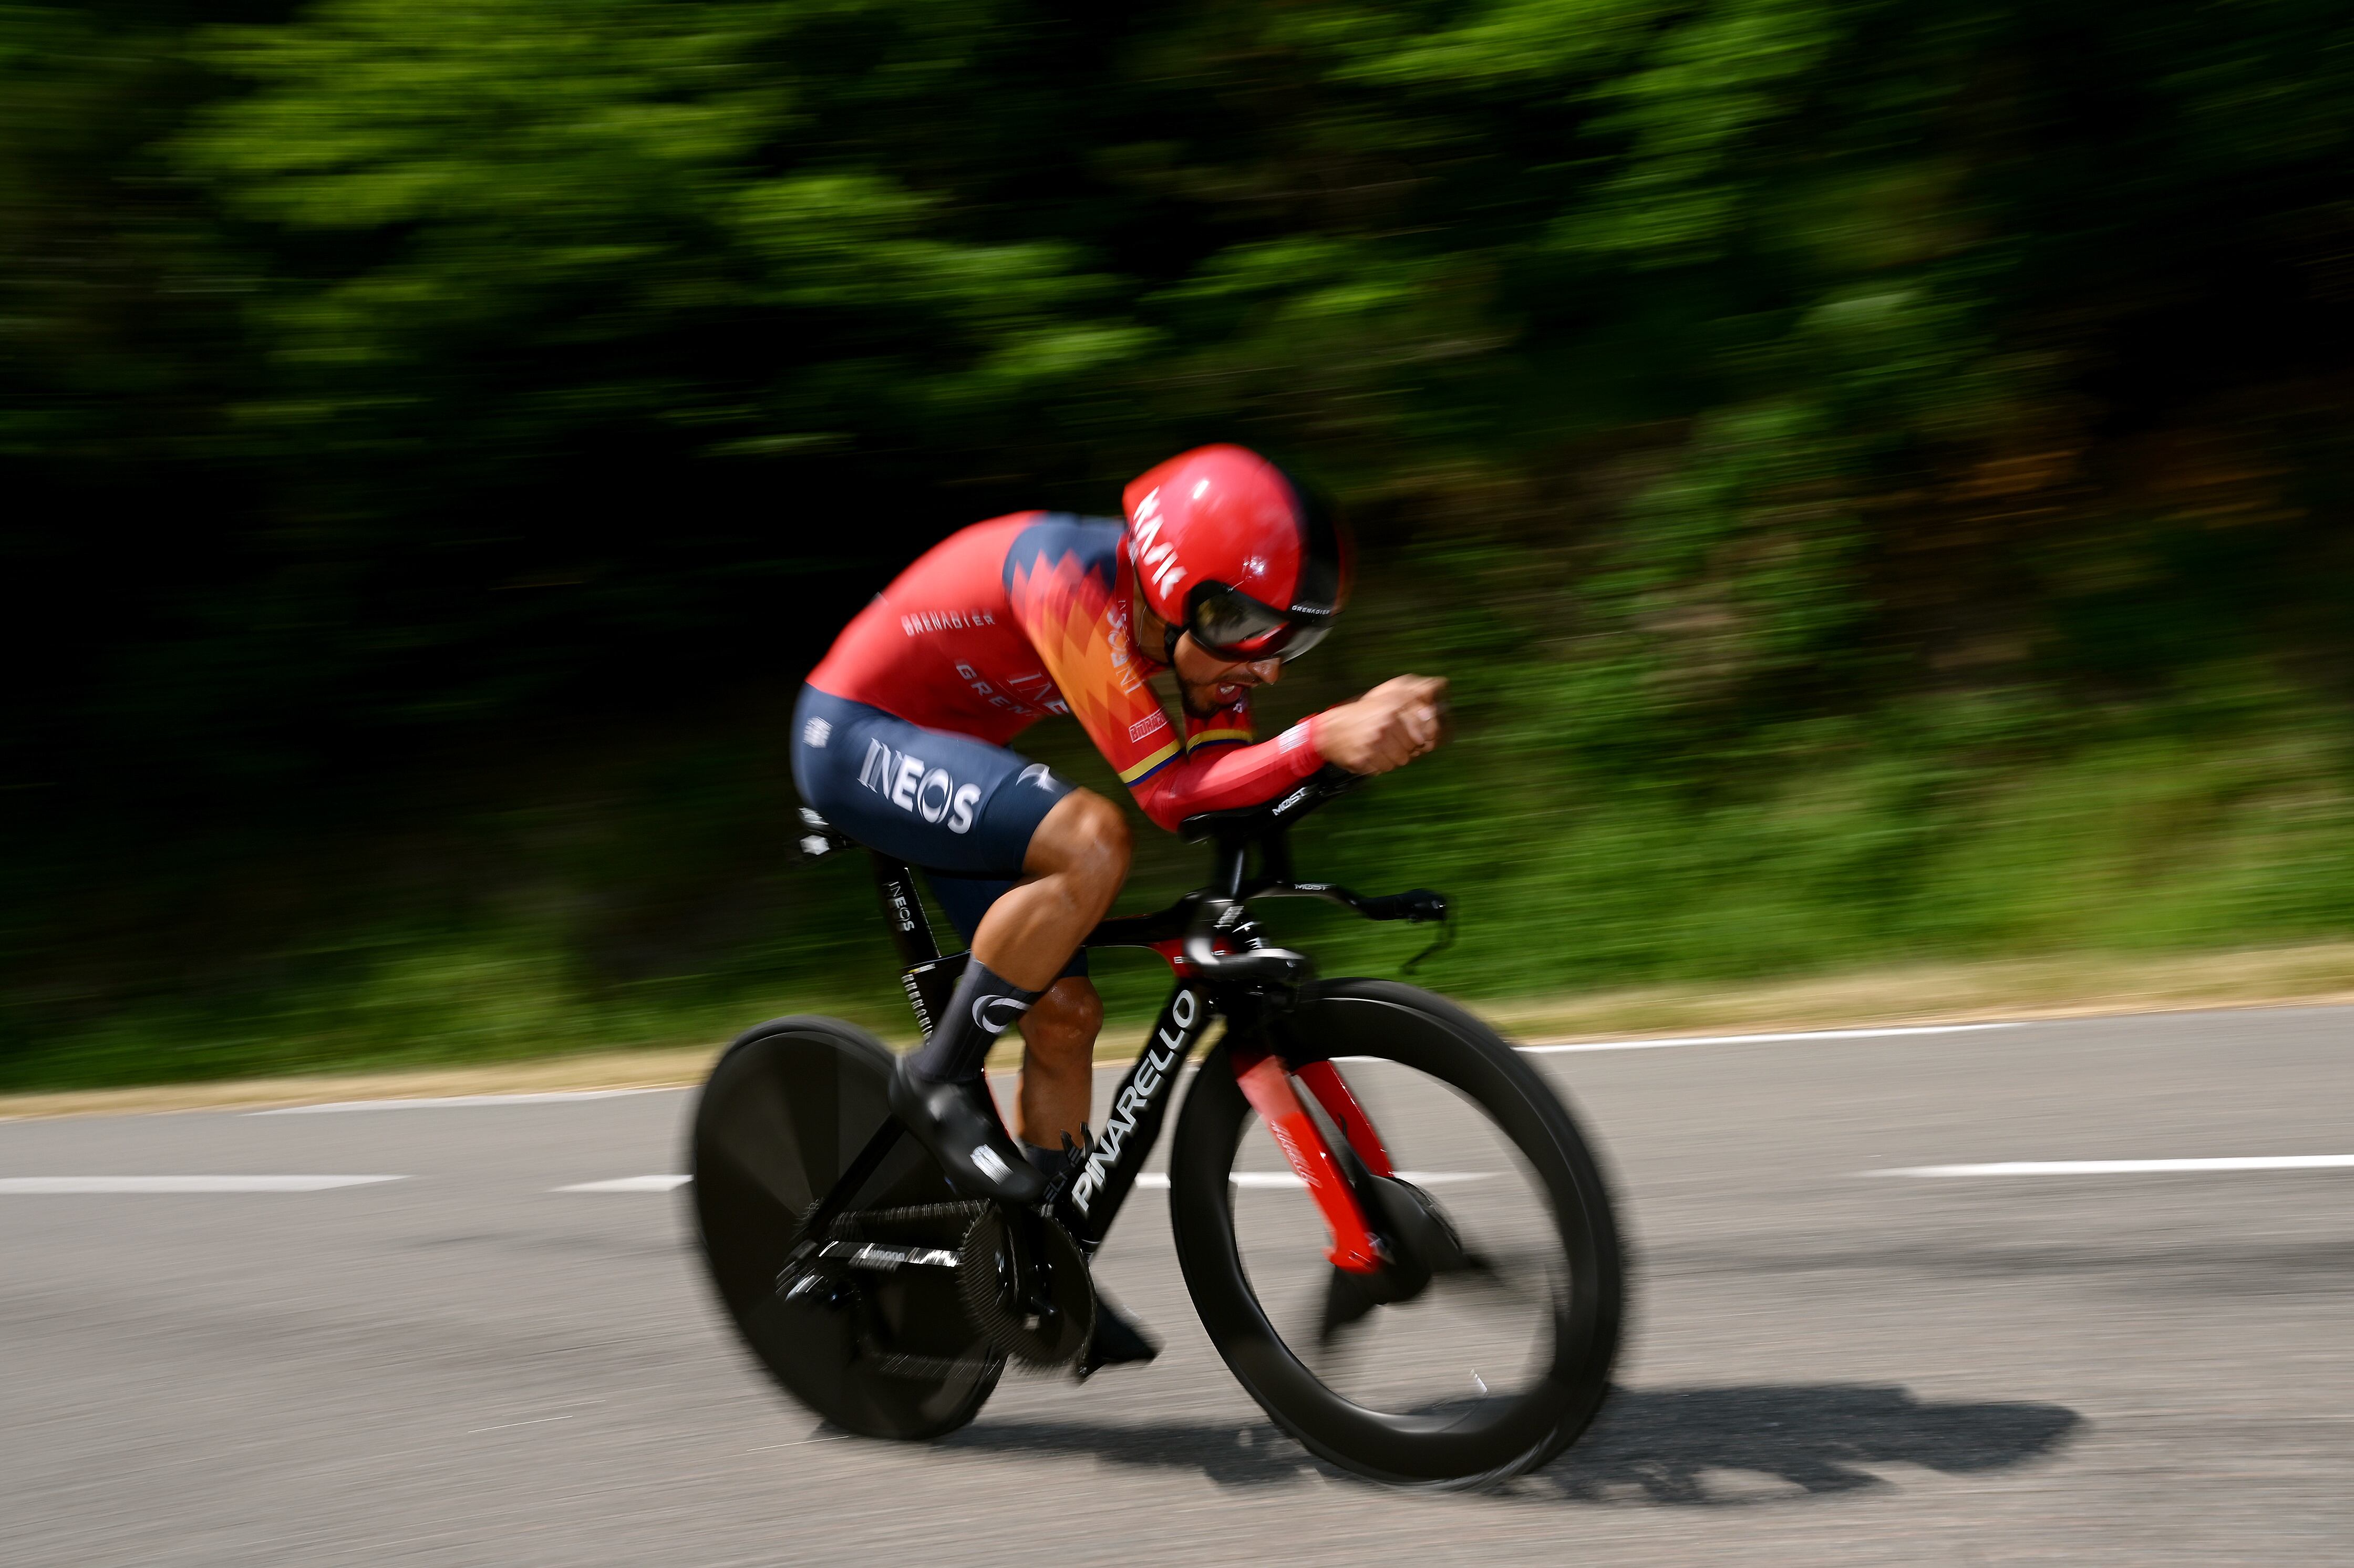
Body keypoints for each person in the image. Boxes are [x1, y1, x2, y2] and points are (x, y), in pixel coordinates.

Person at [790, 445, 1447, 1358]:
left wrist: (1326, 755)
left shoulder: (1201, 642)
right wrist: (1324, 736)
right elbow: (1172, 797)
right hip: (854, 736)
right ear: (1189, 596)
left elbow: (1224, 778)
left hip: (954, 748)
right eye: (1258, 635)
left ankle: (1041, 1266)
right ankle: (937, 1075)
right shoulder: (1067, 580)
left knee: (1063, 1011)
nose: (1269, 670)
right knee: (1092, 839)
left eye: (1295, 645)